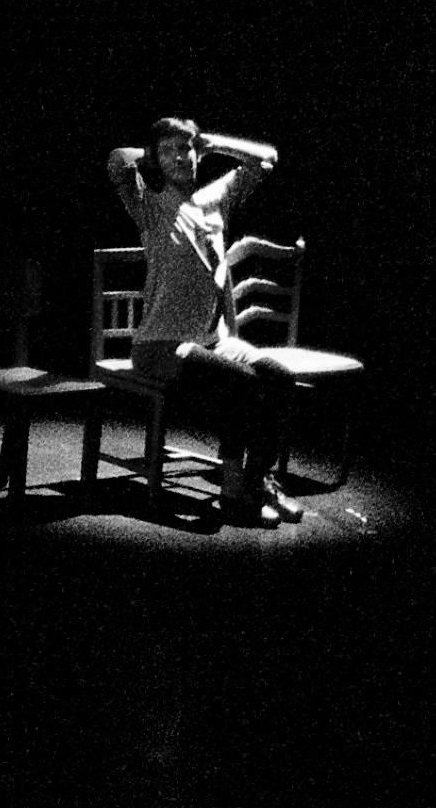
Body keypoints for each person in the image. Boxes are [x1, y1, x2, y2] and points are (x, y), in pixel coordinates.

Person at [104, 118, 298, 526]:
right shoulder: (150, 204)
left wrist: (211, 143)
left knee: (279, 378)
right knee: (240, 382)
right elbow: (117, 161)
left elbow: (266, 161)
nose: (182, 155)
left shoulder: (215, 198)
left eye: (186, 149)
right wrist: (158, 155)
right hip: (159, 345)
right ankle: (232, 494)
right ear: (157, 159)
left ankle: (256, 481)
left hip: (211, 339)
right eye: (171, 149)